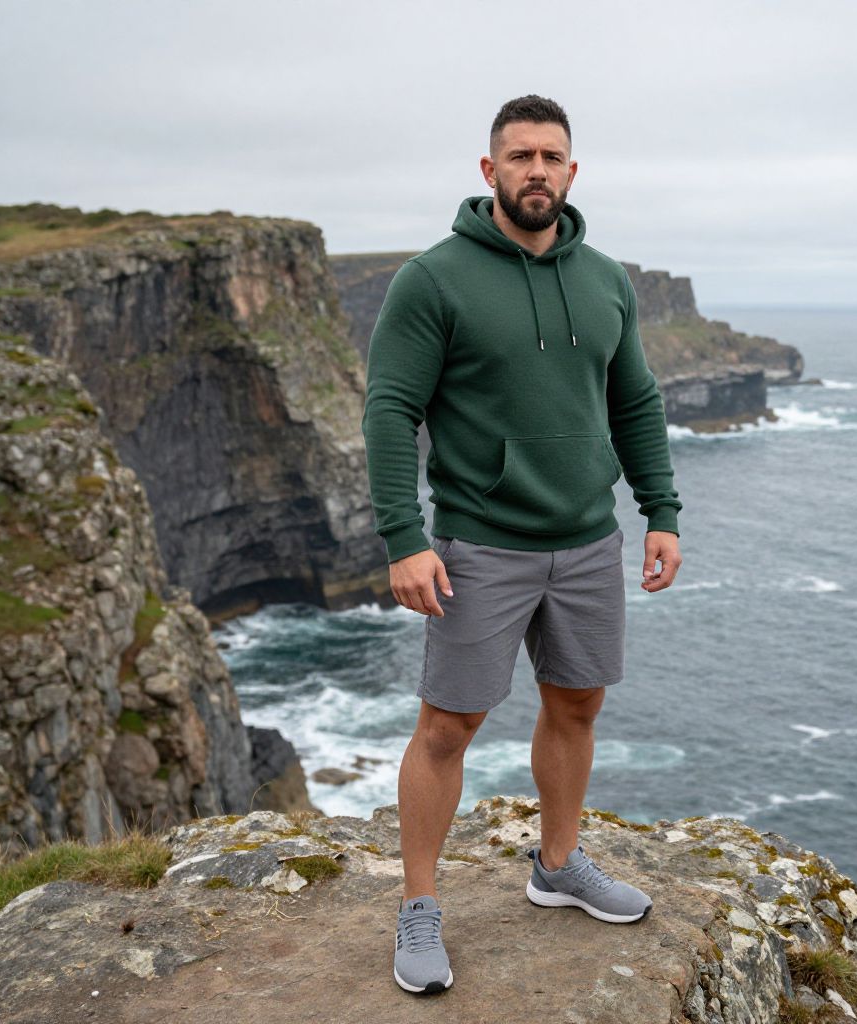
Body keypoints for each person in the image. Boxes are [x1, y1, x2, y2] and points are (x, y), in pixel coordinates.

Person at [360, 94, 683, 995]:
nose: (536, 170)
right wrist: (403, 537)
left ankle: (559, 864)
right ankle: (419, 906)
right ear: (489, 169)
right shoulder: (433, 279)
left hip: (587, 540)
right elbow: (390, 409)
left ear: (572, 171)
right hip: (480, 544)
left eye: (551, 156)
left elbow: (635, 400)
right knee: (447, 726)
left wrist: (661, 510)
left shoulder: (606, 279)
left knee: (577, 705)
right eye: (519, 156)